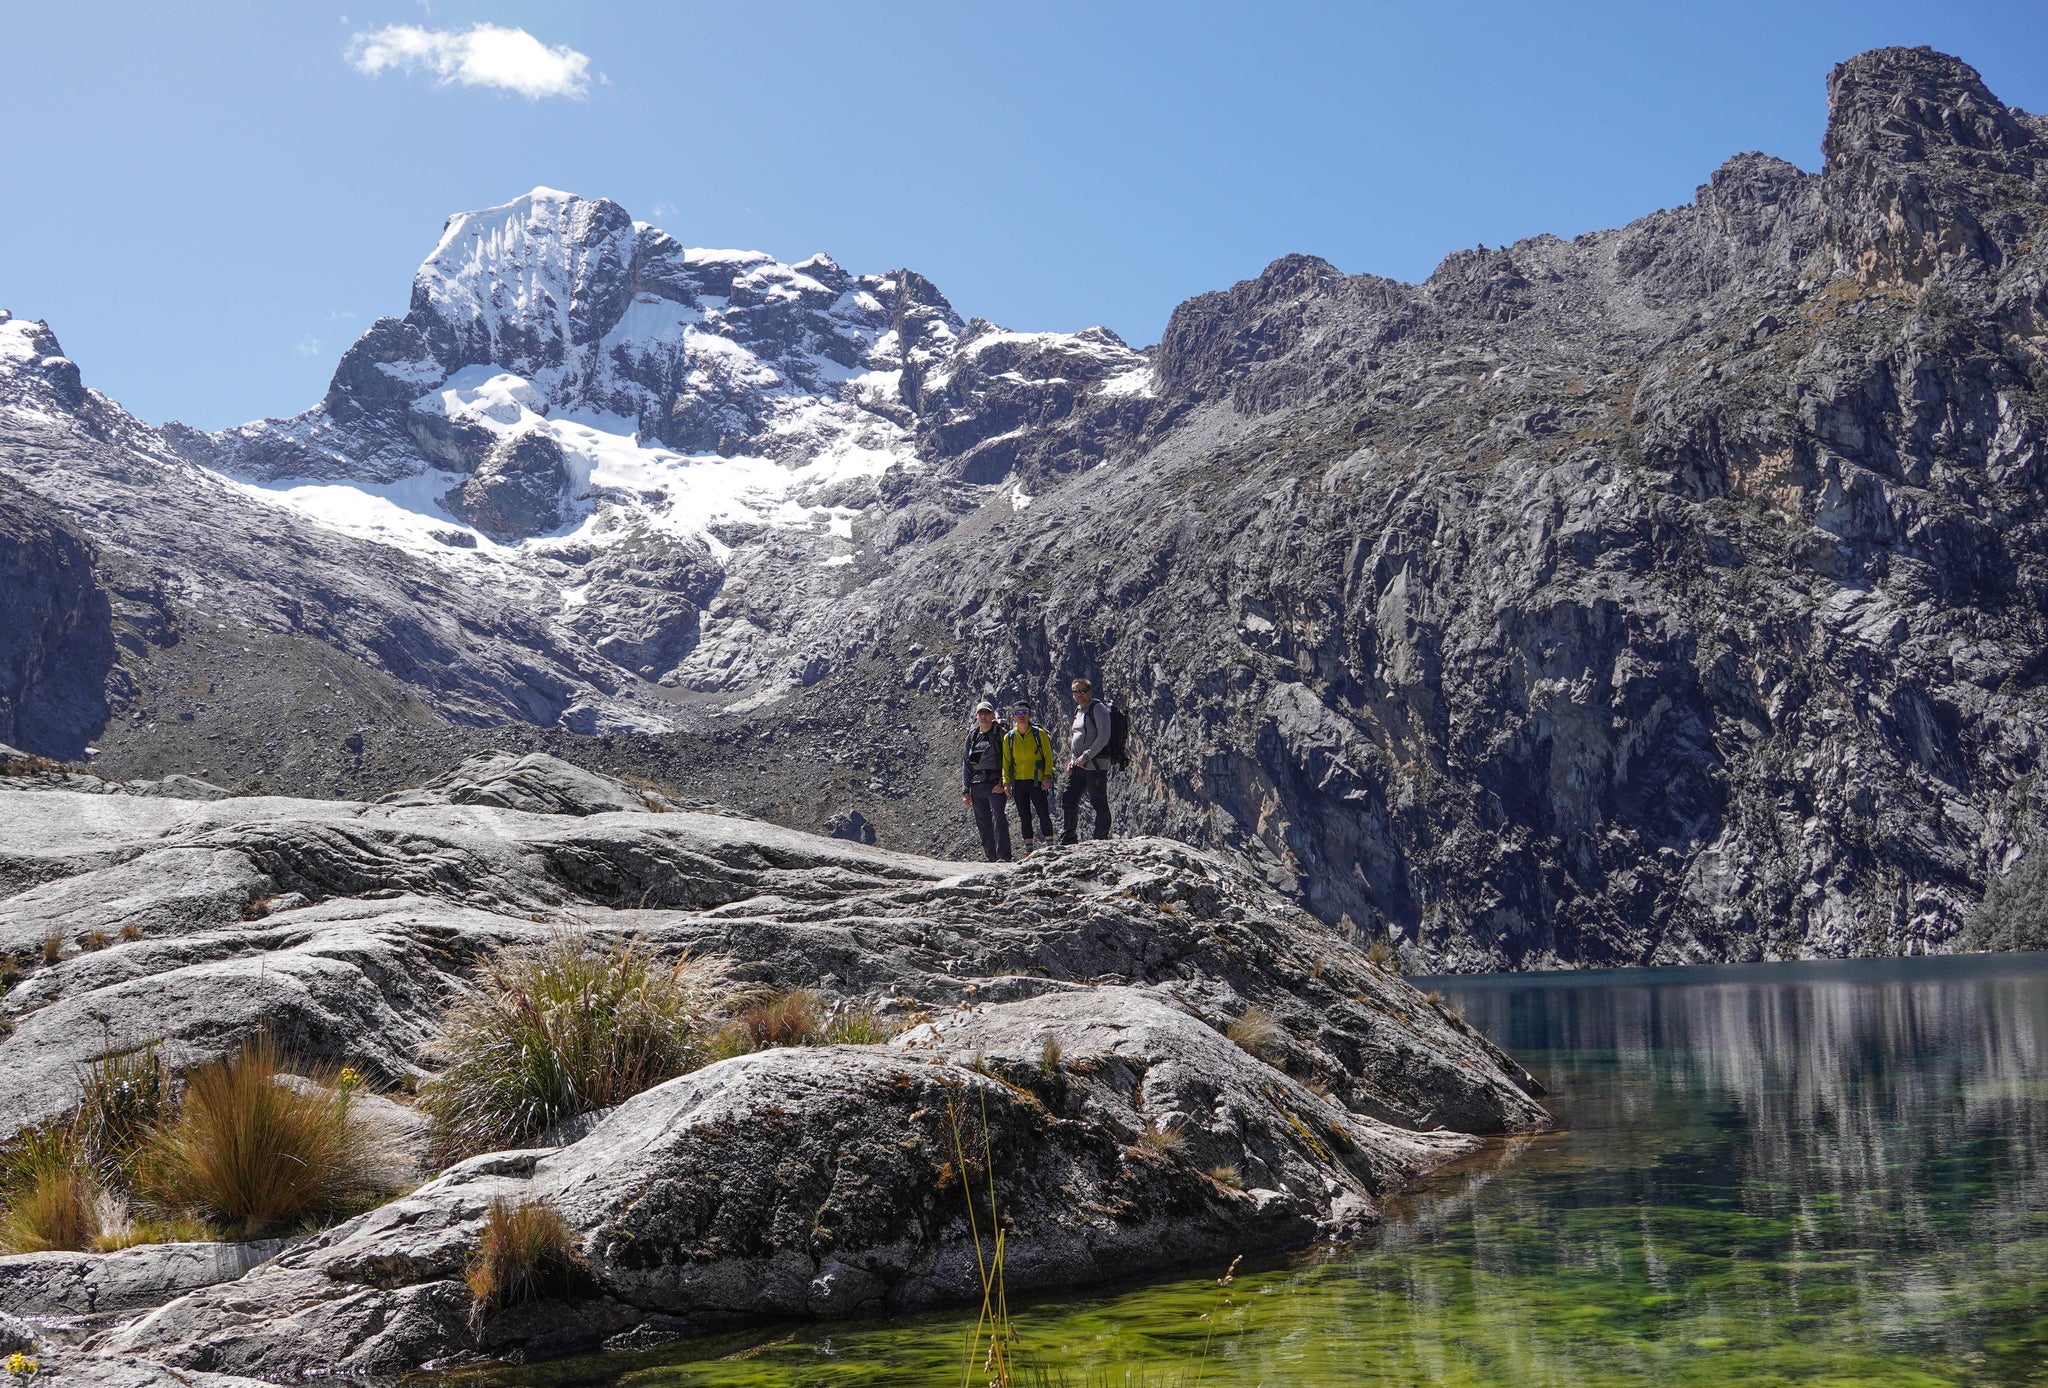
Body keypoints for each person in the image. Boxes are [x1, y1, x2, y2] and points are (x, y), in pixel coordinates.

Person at [1060, 677, 1112, 844]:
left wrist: (1087, 756)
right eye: (1076, 691)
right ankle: (1068, 838)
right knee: (1069, 797)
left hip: (1095, 765)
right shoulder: (1078, 710)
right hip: (1079, 764)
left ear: (1090, 692)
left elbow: (1104, 736)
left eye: (1083, 691)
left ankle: (1100, 838)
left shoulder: (1098, 709)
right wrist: (1072, 759)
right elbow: (1076, 737)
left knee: (1098, 802)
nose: (1079, 695)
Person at [1002, 701, 1057, 853]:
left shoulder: (1039, 734)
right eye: (1017, 713)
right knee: (1024, 815)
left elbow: (1048, 756)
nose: (1021, 716)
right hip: (1019, 782)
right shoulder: (1009, 738)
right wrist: (1006, 782)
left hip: (1036, 781)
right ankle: (1029, 848)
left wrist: (1046, 776)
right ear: (1013, 716)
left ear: (1029, 714)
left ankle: (1049, 845)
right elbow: (1006, 762)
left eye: (1024, 712)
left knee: (1042, 812)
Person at [961, 699, 1012, 862]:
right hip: (976, 786)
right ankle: (991, 857)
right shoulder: (972, 736)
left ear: (992, 715)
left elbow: (1008, 760)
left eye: (986, 713)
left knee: (999, 817)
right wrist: (965, 790)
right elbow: (966, 764)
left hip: (994, 784)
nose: (983, 716)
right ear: (976, 716)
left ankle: (1003, 855)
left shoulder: (1001, 735)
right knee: (983, 822)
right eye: (980, 713)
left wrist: (1002, 782)